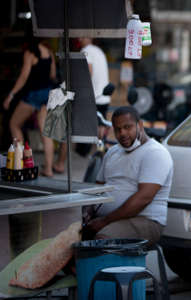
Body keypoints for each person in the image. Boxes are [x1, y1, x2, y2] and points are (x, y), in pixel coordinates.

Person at [84, 106, 173, 246]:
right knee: (64, 238)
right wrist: (88, 211)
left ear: (140, 125)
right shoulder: (112, 152)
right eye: (118, 129)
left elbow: (144, 198)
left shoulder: (155, 153)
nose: (122, 133)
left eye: (127, 127)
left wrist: (105, 221)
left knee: (102, 241)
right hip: (107, 219)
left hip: (145, 220)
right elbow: (98, 188)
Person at [3, 38, 66, 177]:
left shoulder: (30, 53)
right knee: (45, 132)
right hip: (47, 94)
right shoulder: (49, 52)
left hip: (33, 95)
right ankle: (48, 169)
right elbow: (53, 75)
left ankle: (20, 164)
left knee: (14, 124)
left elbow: (24, 76)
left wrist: (11, 95)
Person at [78, 37, 110, 117]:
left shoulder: (86, 51)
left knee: (91, 127)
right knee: (102, 126)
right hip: (104, 98)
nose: (79, 39)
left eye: (81, 37)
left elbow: (88, 73)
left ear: (88, 37)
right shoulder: (99, 50)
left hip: (94, 98)